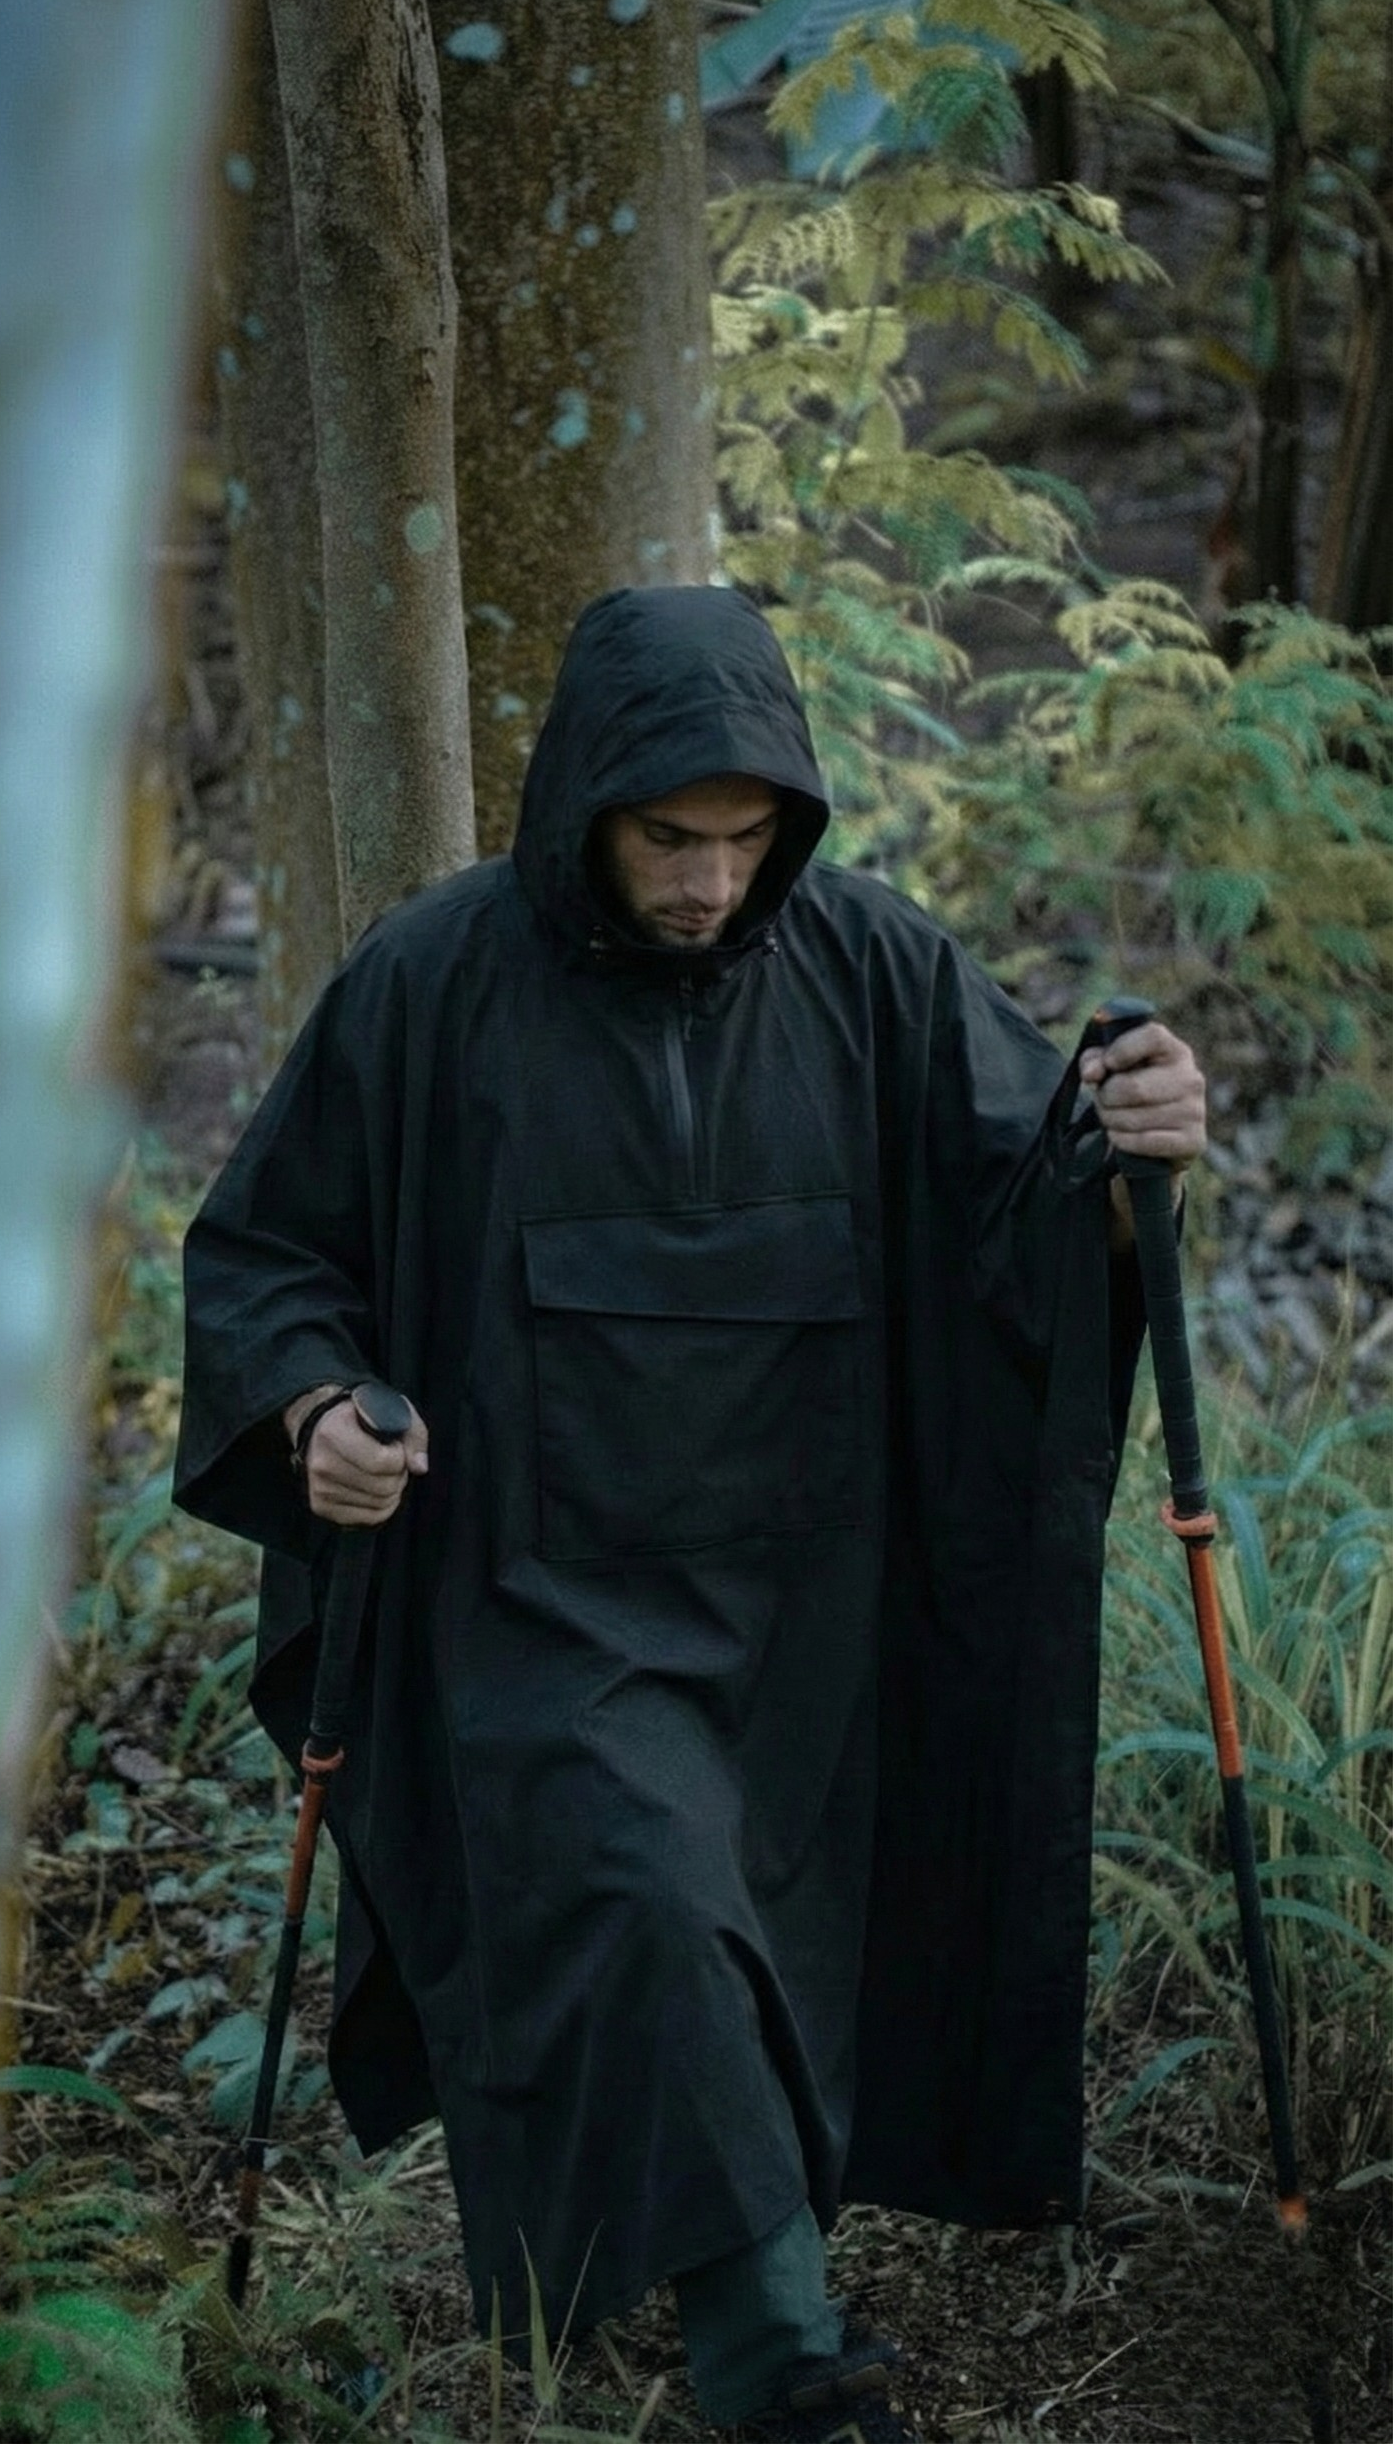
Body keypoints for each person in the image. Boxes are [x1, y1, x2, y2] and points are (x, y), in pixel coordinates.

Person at [174, 586, 1205, 2440]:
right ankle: (784, 2363)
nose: (712, 883)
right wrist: (320, 1412)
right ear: (586, 801)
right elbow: (267, 1261)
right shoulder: (429, 986)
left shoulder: (873, 969)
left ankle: (714, 2240)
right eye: (670, 838)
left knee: (747, 1946)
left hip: (812, 1614)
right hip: (533, 1609)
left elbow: (1027, 1223)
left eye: (746, 840)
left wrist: (1134, 1153)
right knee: (647, 1900)